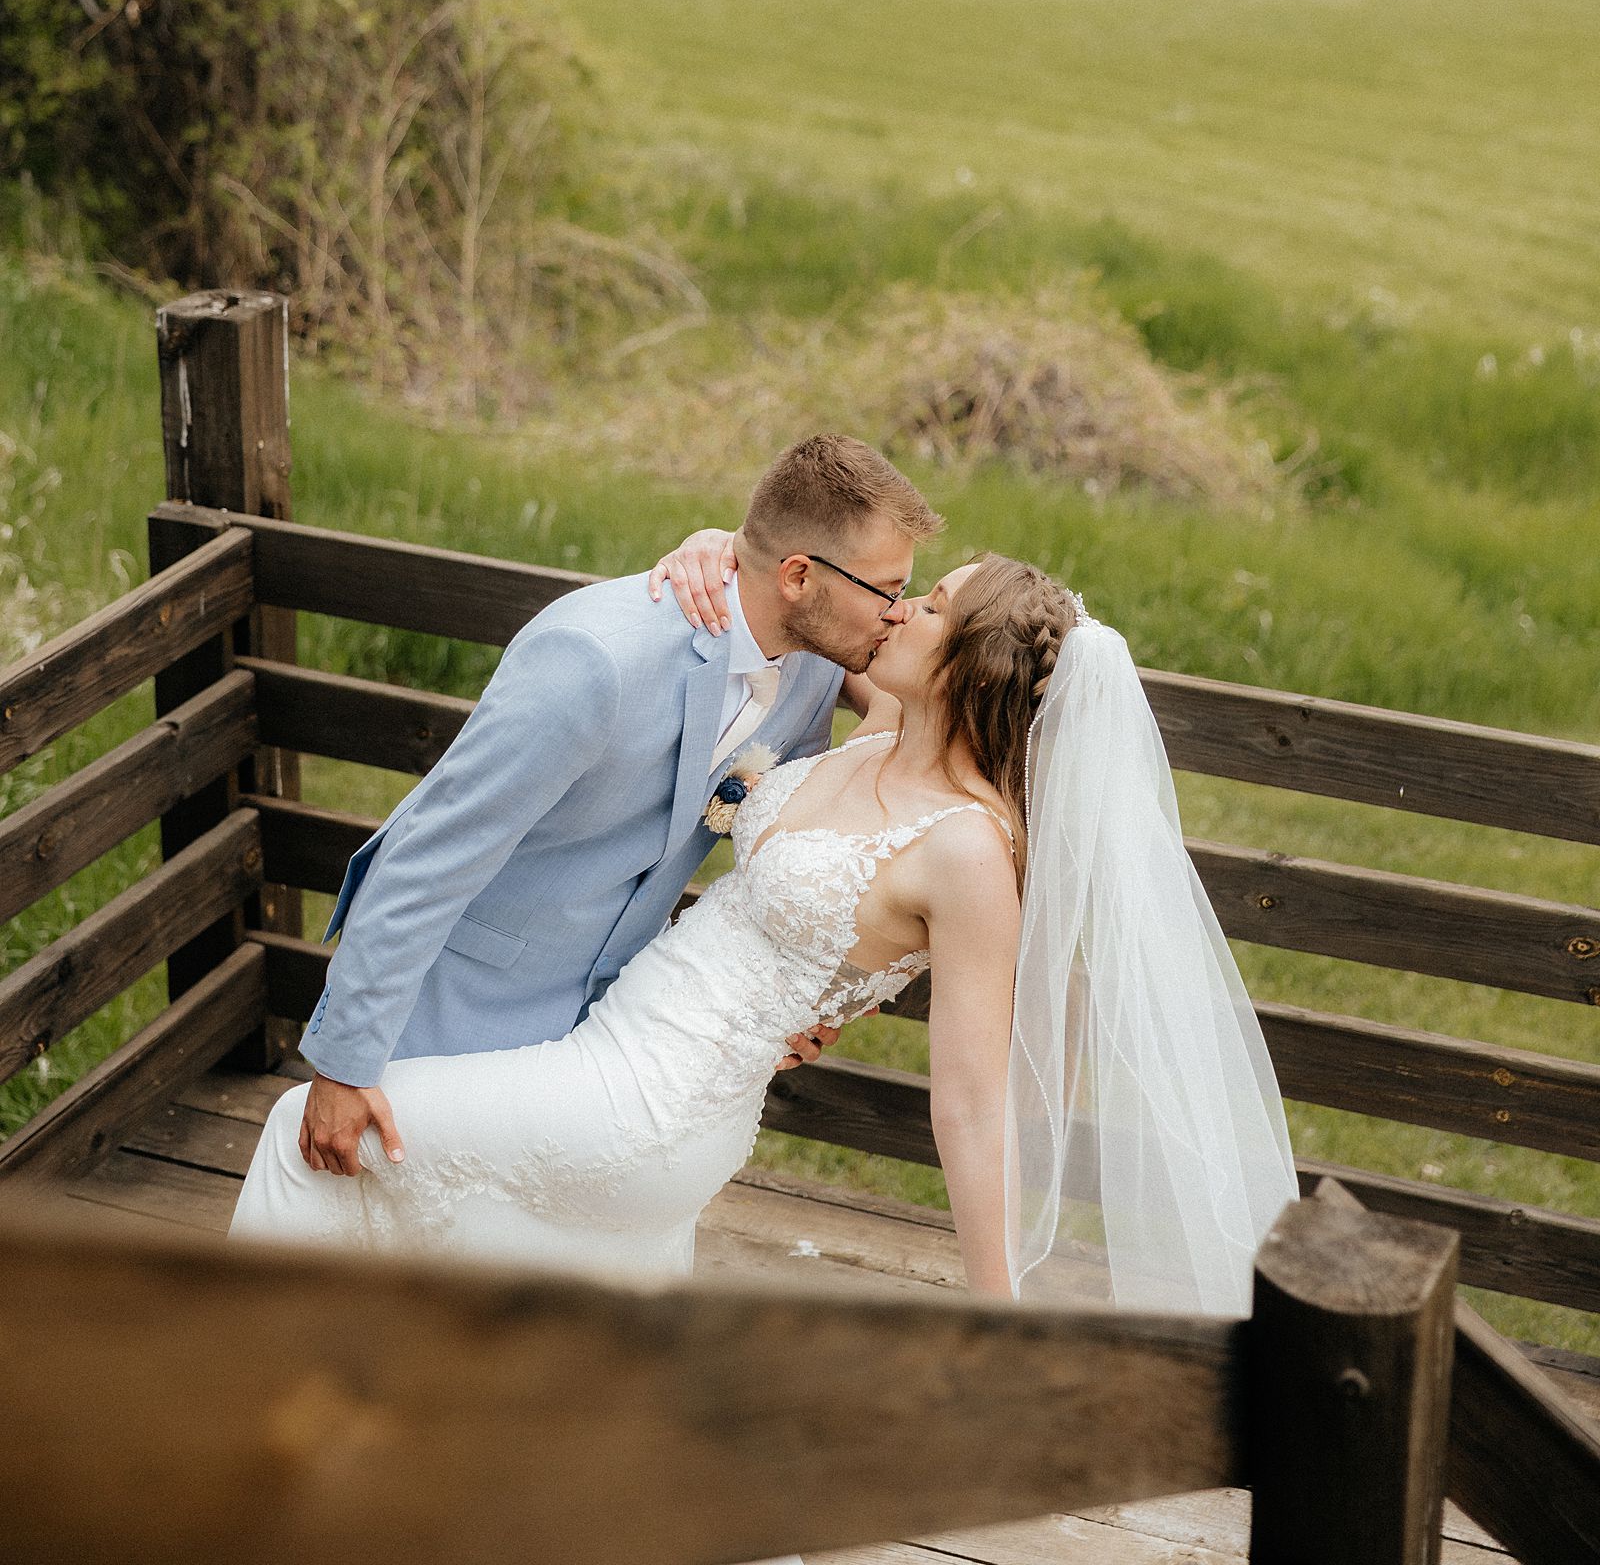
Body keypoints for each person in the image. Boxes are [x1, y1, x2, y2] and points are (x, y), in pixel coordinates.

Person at [231, 531, 1297, 1313]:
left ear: (974, 662)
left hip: (649, 1105)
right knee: (586, 1359)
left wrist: (996, 1315)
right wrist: (714, 550)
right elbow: (788, 596)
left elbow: (971, 1108)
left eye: (928, 605)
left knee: (305, 1137)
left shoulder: (972, 853)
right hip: (615, 1049)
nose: (898, 612)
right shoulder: (882, 729)